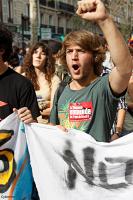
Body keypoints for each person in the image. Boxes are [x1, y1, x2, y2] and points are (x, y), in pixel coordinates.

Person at [49, 0, 133, 142]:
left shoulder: (104, 87)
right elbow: (52, 126)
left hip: (96, 163)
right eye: (69, 51)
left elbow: (124, 69)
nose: (74, 56)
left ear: (94, 56)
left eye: (81, 51)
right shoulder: (62, 88)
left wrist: (104, 20)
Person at [0, 25, 40, 199]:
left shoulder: (21, 85)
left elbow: (34, 132)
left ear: (1, 50)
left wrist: (29, 121)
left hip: (11, 178)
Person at [22, 41, 61, 124]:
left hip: (45, 126)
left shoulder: (54, 79)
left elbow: (54, 109)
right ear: (31, 55)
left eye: (42, 53)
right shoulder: (22, 78)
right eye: (35, 52)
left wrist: (31, 111)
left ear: (47, 58)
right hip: (25, 126)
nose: (38, 56)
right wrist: (43, 105)